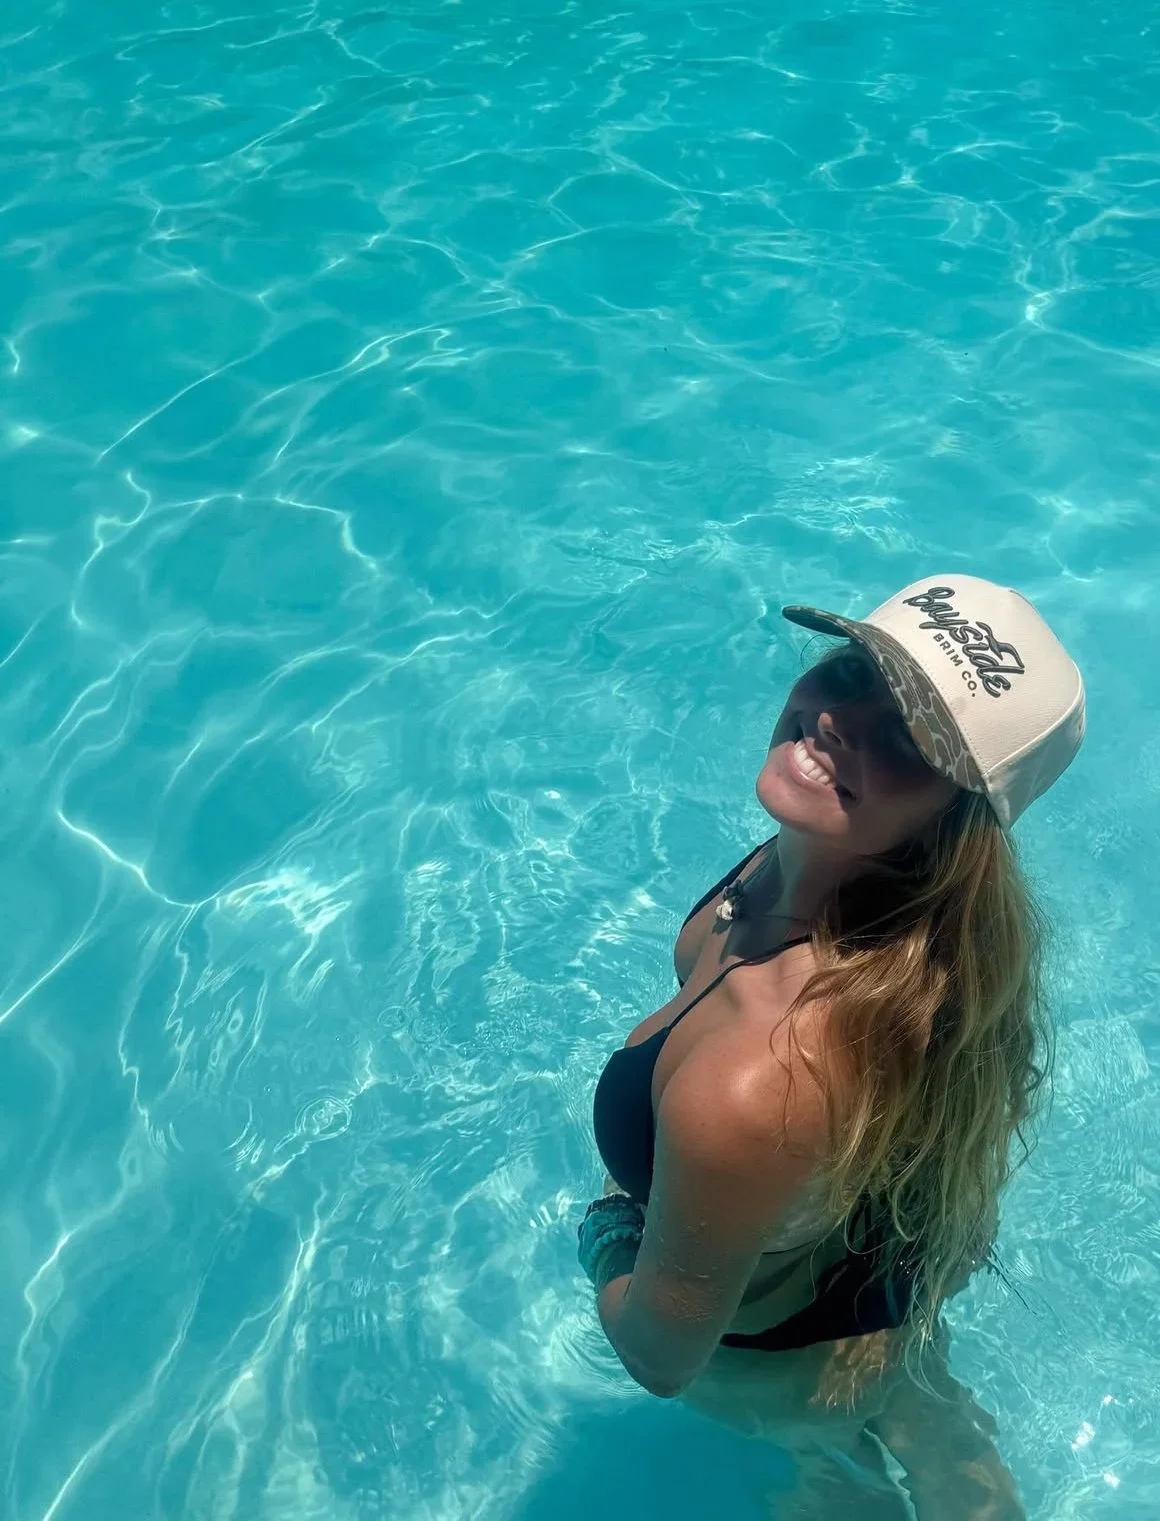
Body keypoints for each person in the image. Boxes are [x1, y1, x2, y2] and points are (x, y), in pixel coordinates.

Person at [577, 574, 1086, 1518]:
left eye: (910, 736)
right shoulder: (923, 948)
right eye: (853, 669)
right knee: (940, 1437)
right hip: (875, 1282)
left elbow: (659, 1355)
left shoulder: (756, 1080)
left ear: (955, 821)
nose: (838, 718)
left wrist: (606, 1230)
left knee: (833, 1489)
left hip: (780, 1376)